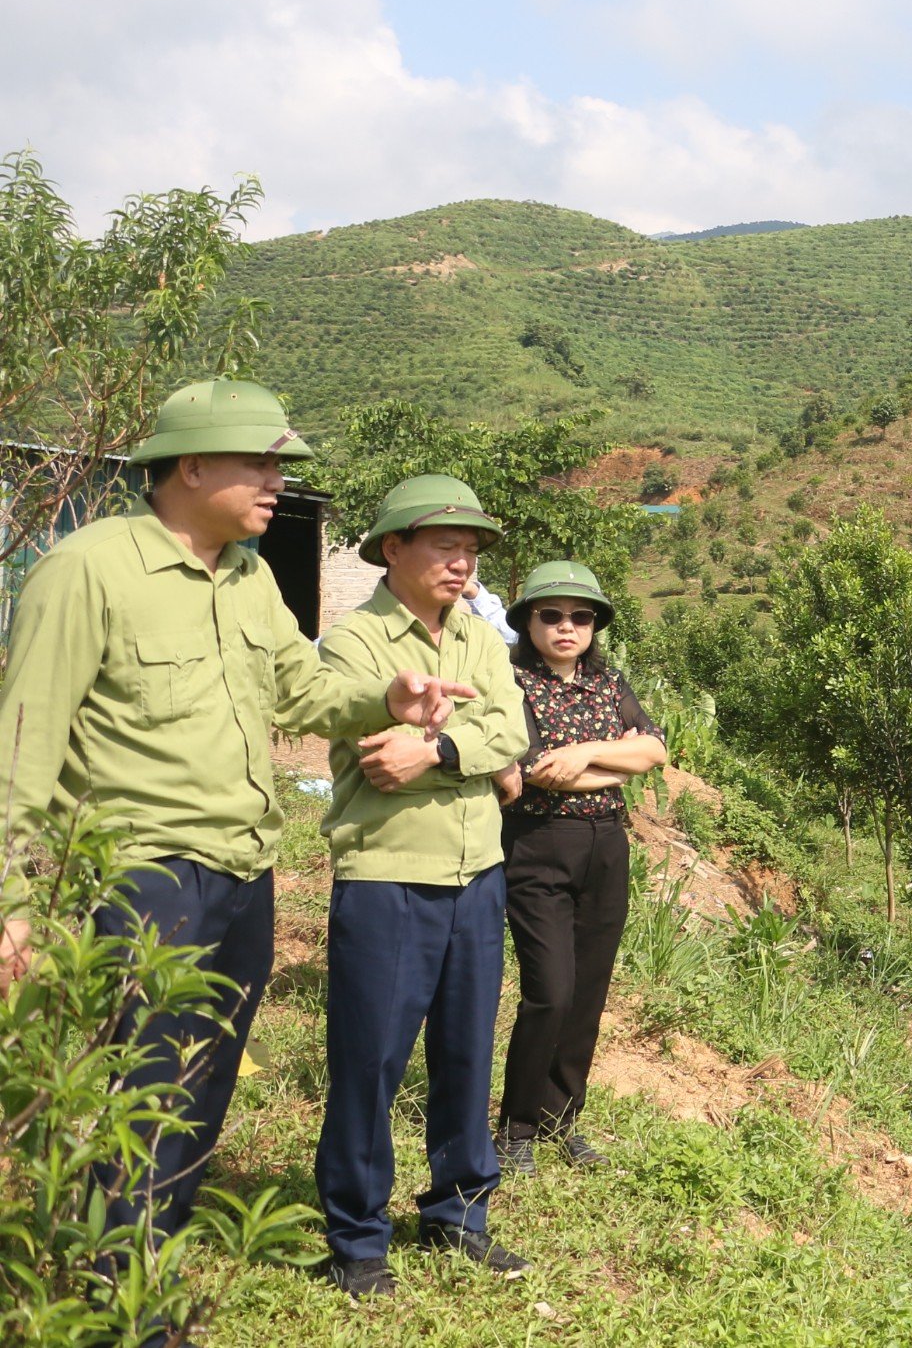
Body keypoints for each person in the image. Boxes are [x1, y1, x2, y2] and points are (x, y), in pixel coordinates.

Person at [0, 380, 474, 1261]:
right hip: (139, 878)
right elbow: (21, 746)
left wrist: (388, 695)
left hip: (243, 869)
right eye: (258, 462)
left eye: (278, 465)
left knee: (202, 1083)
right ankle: (106, 1286)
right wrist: (13, 901)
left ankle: (150, 1268)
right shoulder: (90, 569)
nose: (275, 482)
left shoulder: (251, 577)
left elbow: (298, 687)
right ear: (189, 465)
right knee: (135, 1088)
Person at [313, 475, 530, 1299]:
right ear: (393, 547)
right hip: (387, 872)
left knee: (467, 1051)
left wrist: (438, 747)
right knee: (370, 1061)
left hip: (476, 872)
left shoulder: (480, 637)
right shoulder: (357, 641)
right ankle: (359, 1234)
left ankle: (459, 1209)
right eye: (445, 543)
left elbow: (510, 724)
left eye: (471, 546)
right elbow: (377, 751)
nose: (462, 558)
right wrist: (452, 741)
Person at [495, 560, 666, 1174]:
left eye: (581, 616)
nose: (567, 627)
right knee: (551, 990)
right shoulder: (511, 683)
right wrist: (615, 763)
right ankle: (515, 1125)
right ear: (528, 622)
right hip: (538, 843)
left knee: (589, 991)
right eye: (552, 615)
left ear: (594, 626)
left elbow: (652, 750)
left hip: (604, 847)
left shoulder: (607, 682)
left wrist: (589, 752)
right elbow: (537, 771)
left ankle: (559, 1119)